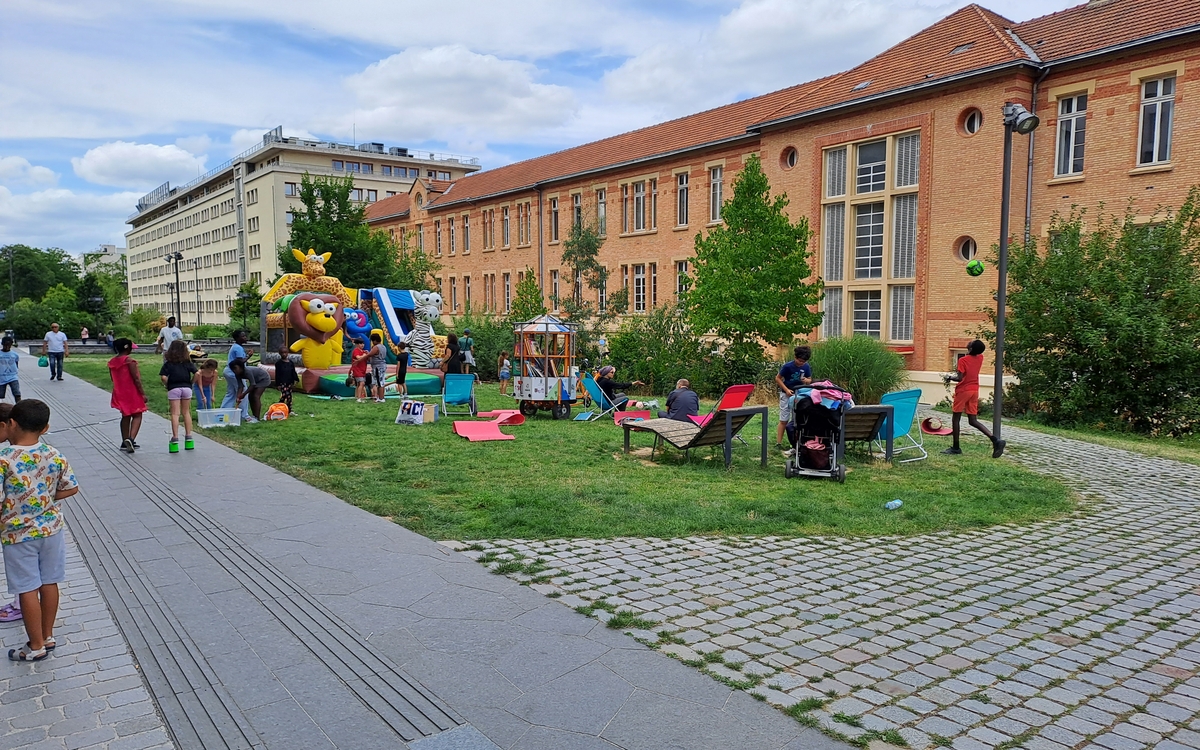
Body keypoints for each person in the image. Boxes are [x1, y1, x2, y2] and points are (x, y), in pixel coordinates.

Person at [0, 399, 79, 661]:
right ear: (45, 428)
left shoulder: (3, 459)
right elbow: (72, 487)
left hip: (17, 534)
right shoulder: (54, 453)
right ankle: (47, 635)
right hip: (52, 529)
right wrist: (46, 498)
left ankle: (35, 647)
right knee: (49, 582)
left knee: (26, 588)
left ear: (11, 423)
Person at [943, 339, 1006, 458]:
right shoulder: (980, 358)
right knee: (973, 420)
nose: (968, 343)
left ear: (970, 349)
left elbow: (960, 378)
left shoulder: (963, 360)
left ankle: (956, 447)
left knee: (956, 419)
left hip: (963, 391)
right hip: (974, 390)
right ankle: (995, 440)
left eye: (970, 343)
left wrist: (949, 377)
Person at [108, 339, 147, 453]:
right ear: (127, 348)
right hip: (132, 391)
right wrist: (142, 393)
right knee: (137, 415)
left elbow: (112, 378)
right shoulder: (129, 361)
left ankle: (124, 441)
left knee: (125, 415)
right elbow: (136, 378)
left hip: (119, 391)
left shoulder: (112, 362)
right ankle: (131, 439)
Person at [0, 404, 20, 625]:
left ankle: (20, 605)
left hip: (15, 527)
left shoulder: (7, 457)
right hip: (44, 528)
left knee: (20, 571)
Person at [159, 341, 196, 452]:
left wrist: (167, 385)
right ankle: (189, 437)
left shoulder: (168, 364)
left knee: (175, 413)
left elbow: (163, 377)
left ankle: (175, 438)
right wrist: (191, 383)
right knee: (186, 412)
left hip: (174, 388)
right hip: (186, 388)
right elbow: (198, 373)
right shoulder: (187, 363)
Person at [775, 345, 813, 450]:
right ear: (795, 357)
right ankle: (778, 442)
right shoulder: (787, 366)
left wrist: (806, 381)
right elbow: (778, 378)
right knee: (784, 419)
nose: (801, 363)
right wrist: (786, 390)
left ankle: (795, 442)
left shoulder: (806, 367)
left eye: (803, 361)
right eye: (799, 360)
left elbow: (809, 379)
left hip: (799, 395)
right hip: (786, 394)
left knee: (795, 420)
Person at [220, 330, 252, 420]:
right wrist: (249, 356)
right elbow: (240, 362)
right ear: (237, 338)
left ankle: (224, 412)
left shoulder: (236, 347)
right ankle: (244, 415)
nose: (245, 337)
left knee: (231, 393)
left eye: (245, 336)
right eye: (243, 336)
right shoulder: (237, 348)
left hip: (229, 371)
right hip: (235, 373)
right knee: (243, 392)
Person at [274, 346, 299, 411]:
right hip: (282, 382)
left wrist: (296, 380)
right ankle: (280, 406)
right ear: (279, 353)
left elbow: (293, 372)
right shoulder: (278, 363)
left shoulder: (290, 363)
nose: (284, 354)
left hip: (289, 382)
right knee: (286, 395)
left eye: (285, 352)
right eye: (282, 353)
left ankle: (287, 409)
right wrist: (278, 384)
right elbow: (277, 374)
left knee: (289, 396)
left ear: (288, 353)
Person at [0, 337, 20, 403]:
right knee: (0, 394)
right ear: (2, 344)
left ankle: (18, 407)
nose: (7, 347)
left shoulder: (15, 354)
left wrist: (15, 371)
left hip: (13, 377)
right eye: (5, 345)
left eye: (9, 345)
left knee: (17, 393)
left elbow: (16, 363)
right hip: (1, 377)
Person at [350, 338, 369, 402]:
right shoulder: (356, 350)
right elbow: (358, 357)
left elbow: (368, 359)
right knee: (362, 383)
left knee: (359, 384)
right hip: (357, 370)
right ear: (357, 344)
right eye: (360, 343)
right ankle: (359, 398)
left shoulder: (363, 351)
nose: (362, 345)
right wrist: (364, 355)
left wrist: (367, 354)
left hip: (362, 370)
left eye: (363, 343)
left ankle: (357, 397)